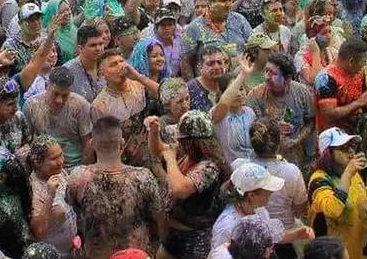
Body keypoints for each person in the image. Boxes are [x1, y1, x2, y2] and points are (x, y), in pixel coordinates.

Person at [66, 116, 166, 259]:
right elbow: (159, 219)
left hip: (96, 253)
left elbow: (74, 213)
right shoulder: (143, 178)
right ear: (122, 143)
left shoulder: (77, 178)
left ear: (92, 143)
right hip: (136, 254)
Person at [146, 110, 230, 259]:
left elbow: (180, 189)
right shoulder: (186, 153)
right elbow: (157, 148)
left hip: (196, 236)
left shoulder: (210, 166)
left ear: (192, 142)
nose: (178, 143)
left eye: (182, 141)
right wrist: (154, 131)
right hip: (174, 231)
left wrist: (171, 160)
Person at [211, 161, 313, 251]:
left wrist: (297, 234)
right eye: (267, 189)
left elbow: (270, 236)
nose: (271, 191)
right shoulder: (227, 226)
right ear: (252, 195)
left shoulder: (258, 209)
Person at [307, 128, 367, 259]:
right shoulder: (319, 180)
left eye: (352, 146)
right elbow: (333, 209)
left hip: (357, 248)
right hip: (333, 253)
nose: (351, 151)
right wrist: (348, 173)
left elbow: (362, 198)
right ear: (328, 153)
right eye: (343, 147)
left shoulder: (352, 173)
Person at [248, 118, 309, 259]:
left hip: (252, 239)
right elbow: (300, 211)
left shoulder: (240, 167)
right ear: (278, 142)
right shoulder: (291, 171)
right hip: (286, 238)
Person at [246, 54, 315, 171]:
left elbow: (311, 123)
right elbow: (250, 132)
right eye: (266, 71)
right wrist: (271, 126)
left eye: (273, 73)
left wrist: (297, 141)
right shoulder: (255, 96)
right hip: (266, 161)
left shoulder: (301, 92)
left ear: (287, 78)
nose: (267, 77)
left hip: (297, 157)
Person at [91, 49, 159, 167]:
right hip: (124, 162)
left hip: (152, 152)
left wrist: (138, 77)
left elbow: (165, 95)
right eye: (113, 65)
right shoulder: (100, 105)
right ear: (102, 75)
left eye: (121, 61)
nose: (120, 67)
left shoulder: (139, 85)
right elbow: (105, 144)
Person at [23, 67, 94, 169]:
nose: (59, 100)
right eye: (55, 94)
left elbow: (88, 144)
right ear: (47, 86)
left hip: (73, 167)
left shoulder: (81, 105)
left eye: (65, 95)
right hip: (42, 168)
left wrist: (84, 173)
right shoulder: (31, 105)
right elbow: (26, 143)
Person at [313, 38, 367, 133]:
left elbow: (362, 99)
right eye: (361, 63)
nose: (362, 67)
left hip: (356, 130)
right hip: (333, 136)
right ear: (351, 61)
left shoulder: (359, 73)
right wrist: (360, 103)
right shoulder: (326, 79)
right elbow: (329, 115)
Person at [27, 135, 78, 257]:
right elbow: (39, 233)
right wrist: (50, 195)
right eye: (54, 158)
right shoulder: (32, 189)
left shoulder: (60, 173)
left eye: (61, 155)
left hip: (72, 249)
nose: (60, 161)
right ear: (38, 162)